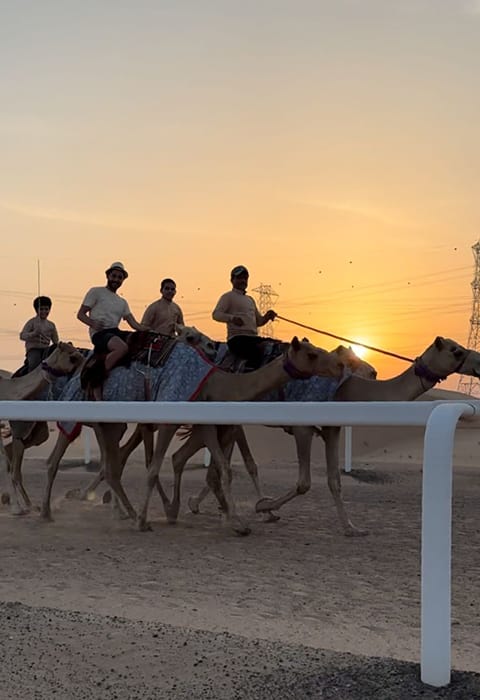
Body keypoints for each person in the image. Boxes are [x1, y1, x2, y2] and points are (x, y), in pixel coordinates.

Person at [77, 262, 148, 373]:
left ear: (123, 280)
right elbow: (80, 314)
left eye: (120, 277)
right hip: (100, 333)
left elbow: (134, 324)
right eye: (114, 276)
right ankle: (97, 374)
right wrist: (92, 323)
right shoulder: (96, 291)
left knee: (138, 339)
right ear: (108, 276)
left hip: (115, 331)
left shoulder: (122, 302)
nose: (116, 279)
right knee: (122, 348)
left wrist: (150, 330)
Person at [212, 265, 276, 369]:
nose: (243, 281)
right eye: (240, 278)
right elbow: (216, 315)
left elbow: (258, 322)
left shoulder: (250, 299)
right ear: (232, 280)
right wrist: (232, 318)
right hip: (237, 339)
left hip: (253, 338)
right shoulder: (227, 297)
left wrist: (268, 316)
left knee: (274, 347)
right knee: (255, 353)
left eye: (245, 278)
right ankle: (249, 376)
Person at [19, 296, 59, 372]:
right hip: (34, 350)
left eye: (46, 309)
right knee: (34, 363)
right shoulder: (32, 322)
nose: (44, 311)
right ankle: (31, 378)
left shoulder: (51, 325)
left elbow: (55, 341)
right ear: (36, 310)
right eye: (41, 309)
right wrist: (34, 333)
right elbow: (22, 336)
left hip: (46, 349)